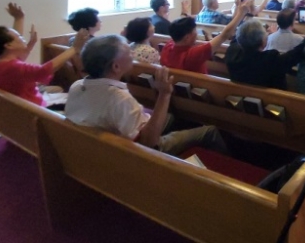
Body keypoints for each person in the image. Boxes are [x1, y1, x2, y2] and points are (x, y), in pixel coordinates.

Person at [65, 35, 228, 156]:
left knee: (170, 117)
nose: (132, 53)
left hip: (96, 145)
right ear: (116, 67)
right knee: (210, 131)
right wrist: (164, 94)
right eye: (128, 52)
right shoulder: (118, 98)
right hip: (137, 153)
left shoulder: (77, 86)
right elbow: (148, 143)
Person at [0, 27, 87, 106]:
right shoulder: (14, 67)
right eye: (19, 36)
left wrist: (30, 45)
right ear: (8, 45)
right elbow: (44, 70)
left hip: (15, 106)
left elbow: (19, 63)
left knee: (59, 90)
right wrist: (74, 48)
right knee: (74, 98)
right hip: (32, 111)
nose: (22, 37)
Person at [161, 0, 249, 74]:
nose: (196, 33)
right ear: (187, 37)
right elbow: (224, 35)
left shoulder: (168, 46)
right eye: (194, 31)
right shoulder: (192, 55)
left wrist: (184, 12)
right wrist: (241, 14)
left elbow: (179, 27)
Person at [225, 19, 305, 90]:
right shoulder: (270, 59)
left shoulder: (231, 52)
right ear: (263, 43)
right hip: (272, 102)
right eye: (265, 34)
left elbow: (239, 38)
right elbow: (296, 54)